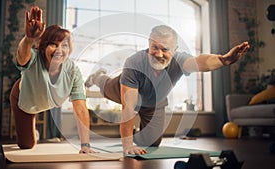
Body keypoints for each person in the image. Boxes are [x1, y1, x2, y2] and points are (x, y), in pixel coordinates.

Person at [85, 25, 250, 155]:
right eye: (154, 47)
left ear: (175, 49)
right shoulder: (134, 63)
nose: (159, 54)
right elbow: (128, 108)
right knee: (105, 87)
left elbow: (200, 62)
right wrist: (127, 145)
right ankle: (96, 77)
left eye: (165, 49)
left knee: (152, 143)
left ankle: (137, 131)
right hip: (125, 89)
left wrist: (223, 59)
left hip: (154, 102)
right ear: (148, 44)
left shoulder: (180, 60)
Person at [9, 6, 95, 153]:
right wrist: (29, 39)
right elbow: (22, 57)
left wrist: (85, 145)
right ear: (43, 47)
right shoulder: (34, 58)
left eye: (65, 45)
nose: (59, 50)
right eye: (53, 44)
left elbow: (80, 108)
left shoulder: (73, 71)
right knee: (26, 145)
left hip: (44, 99)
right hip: (24, 97)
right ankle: (32, 131)